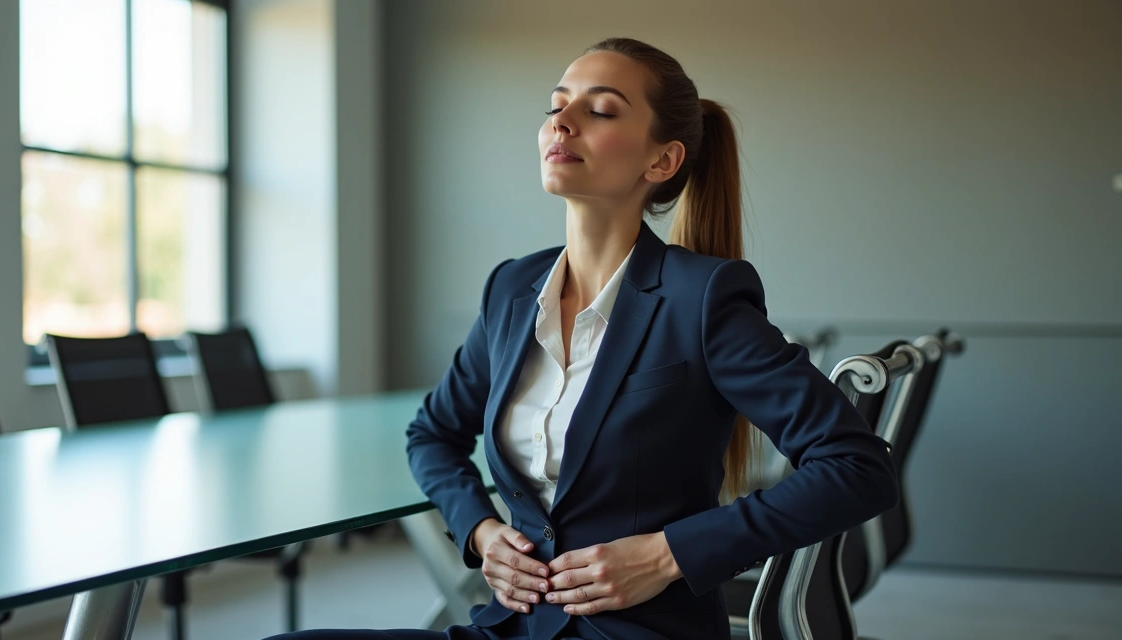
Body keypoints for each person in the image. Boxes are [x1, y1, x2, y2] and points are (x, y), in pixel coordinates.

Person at [267, 36, 898, 640]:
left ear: (662, 160)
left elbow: (856, 467)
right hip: (512, 625)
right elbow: (431, 434)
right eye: (555, 104)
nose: (560, 122)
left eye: (598, 109)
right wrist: (481, 531)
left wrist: (667, 554)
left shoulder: (703, 297)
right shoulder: (510, 291)